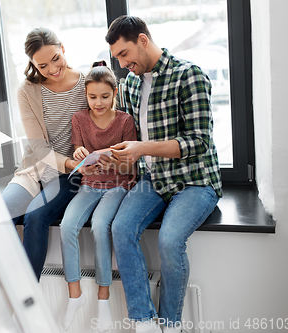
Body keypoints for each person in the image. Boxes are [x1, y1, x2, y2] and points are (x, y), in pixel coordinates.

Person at [105, 16, 222, 333]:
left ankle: (171, 325)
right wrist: (111, 155)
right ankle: (143, 321)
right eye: (117, 57)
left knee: (170, 241)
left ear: (143, 40)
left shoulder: (189, 75)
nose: (122, 63)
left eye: (124, 54)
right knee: (121, 228)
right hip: (153, 180)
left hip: (194, 180)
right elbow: (128, 136)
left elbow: (199, 142)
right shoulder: (129, 83)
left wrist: (141, 148)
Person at [1, 27, 87, 280]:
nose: (52, 69)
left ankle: (28, 294)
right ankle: (13, 284)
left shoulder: (87, 83)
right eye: (42, 65)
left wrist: (73, 164)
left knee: (35, 217)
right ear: (32, 64)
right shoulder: (26, 91)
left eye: (55, 59)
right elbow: (38, 148)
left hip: (69, 174)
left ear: (63, 48)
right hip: (35, 169)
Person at [59, 61, 136, 332]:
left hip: (117, 186)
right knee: (68, 226)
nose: (98, 102)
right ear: (86, 95)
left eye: (105, 96)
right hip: (89, 185)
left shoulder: (125, 121)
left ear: (115, 93)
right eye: (92, 97)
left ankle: (103, 299)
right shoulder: (79, 119)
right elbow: (79, 156)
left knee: (101, 227)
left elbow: (131, 166)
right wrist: (81, 158)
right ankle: (75, 295)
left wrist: (113, 164)